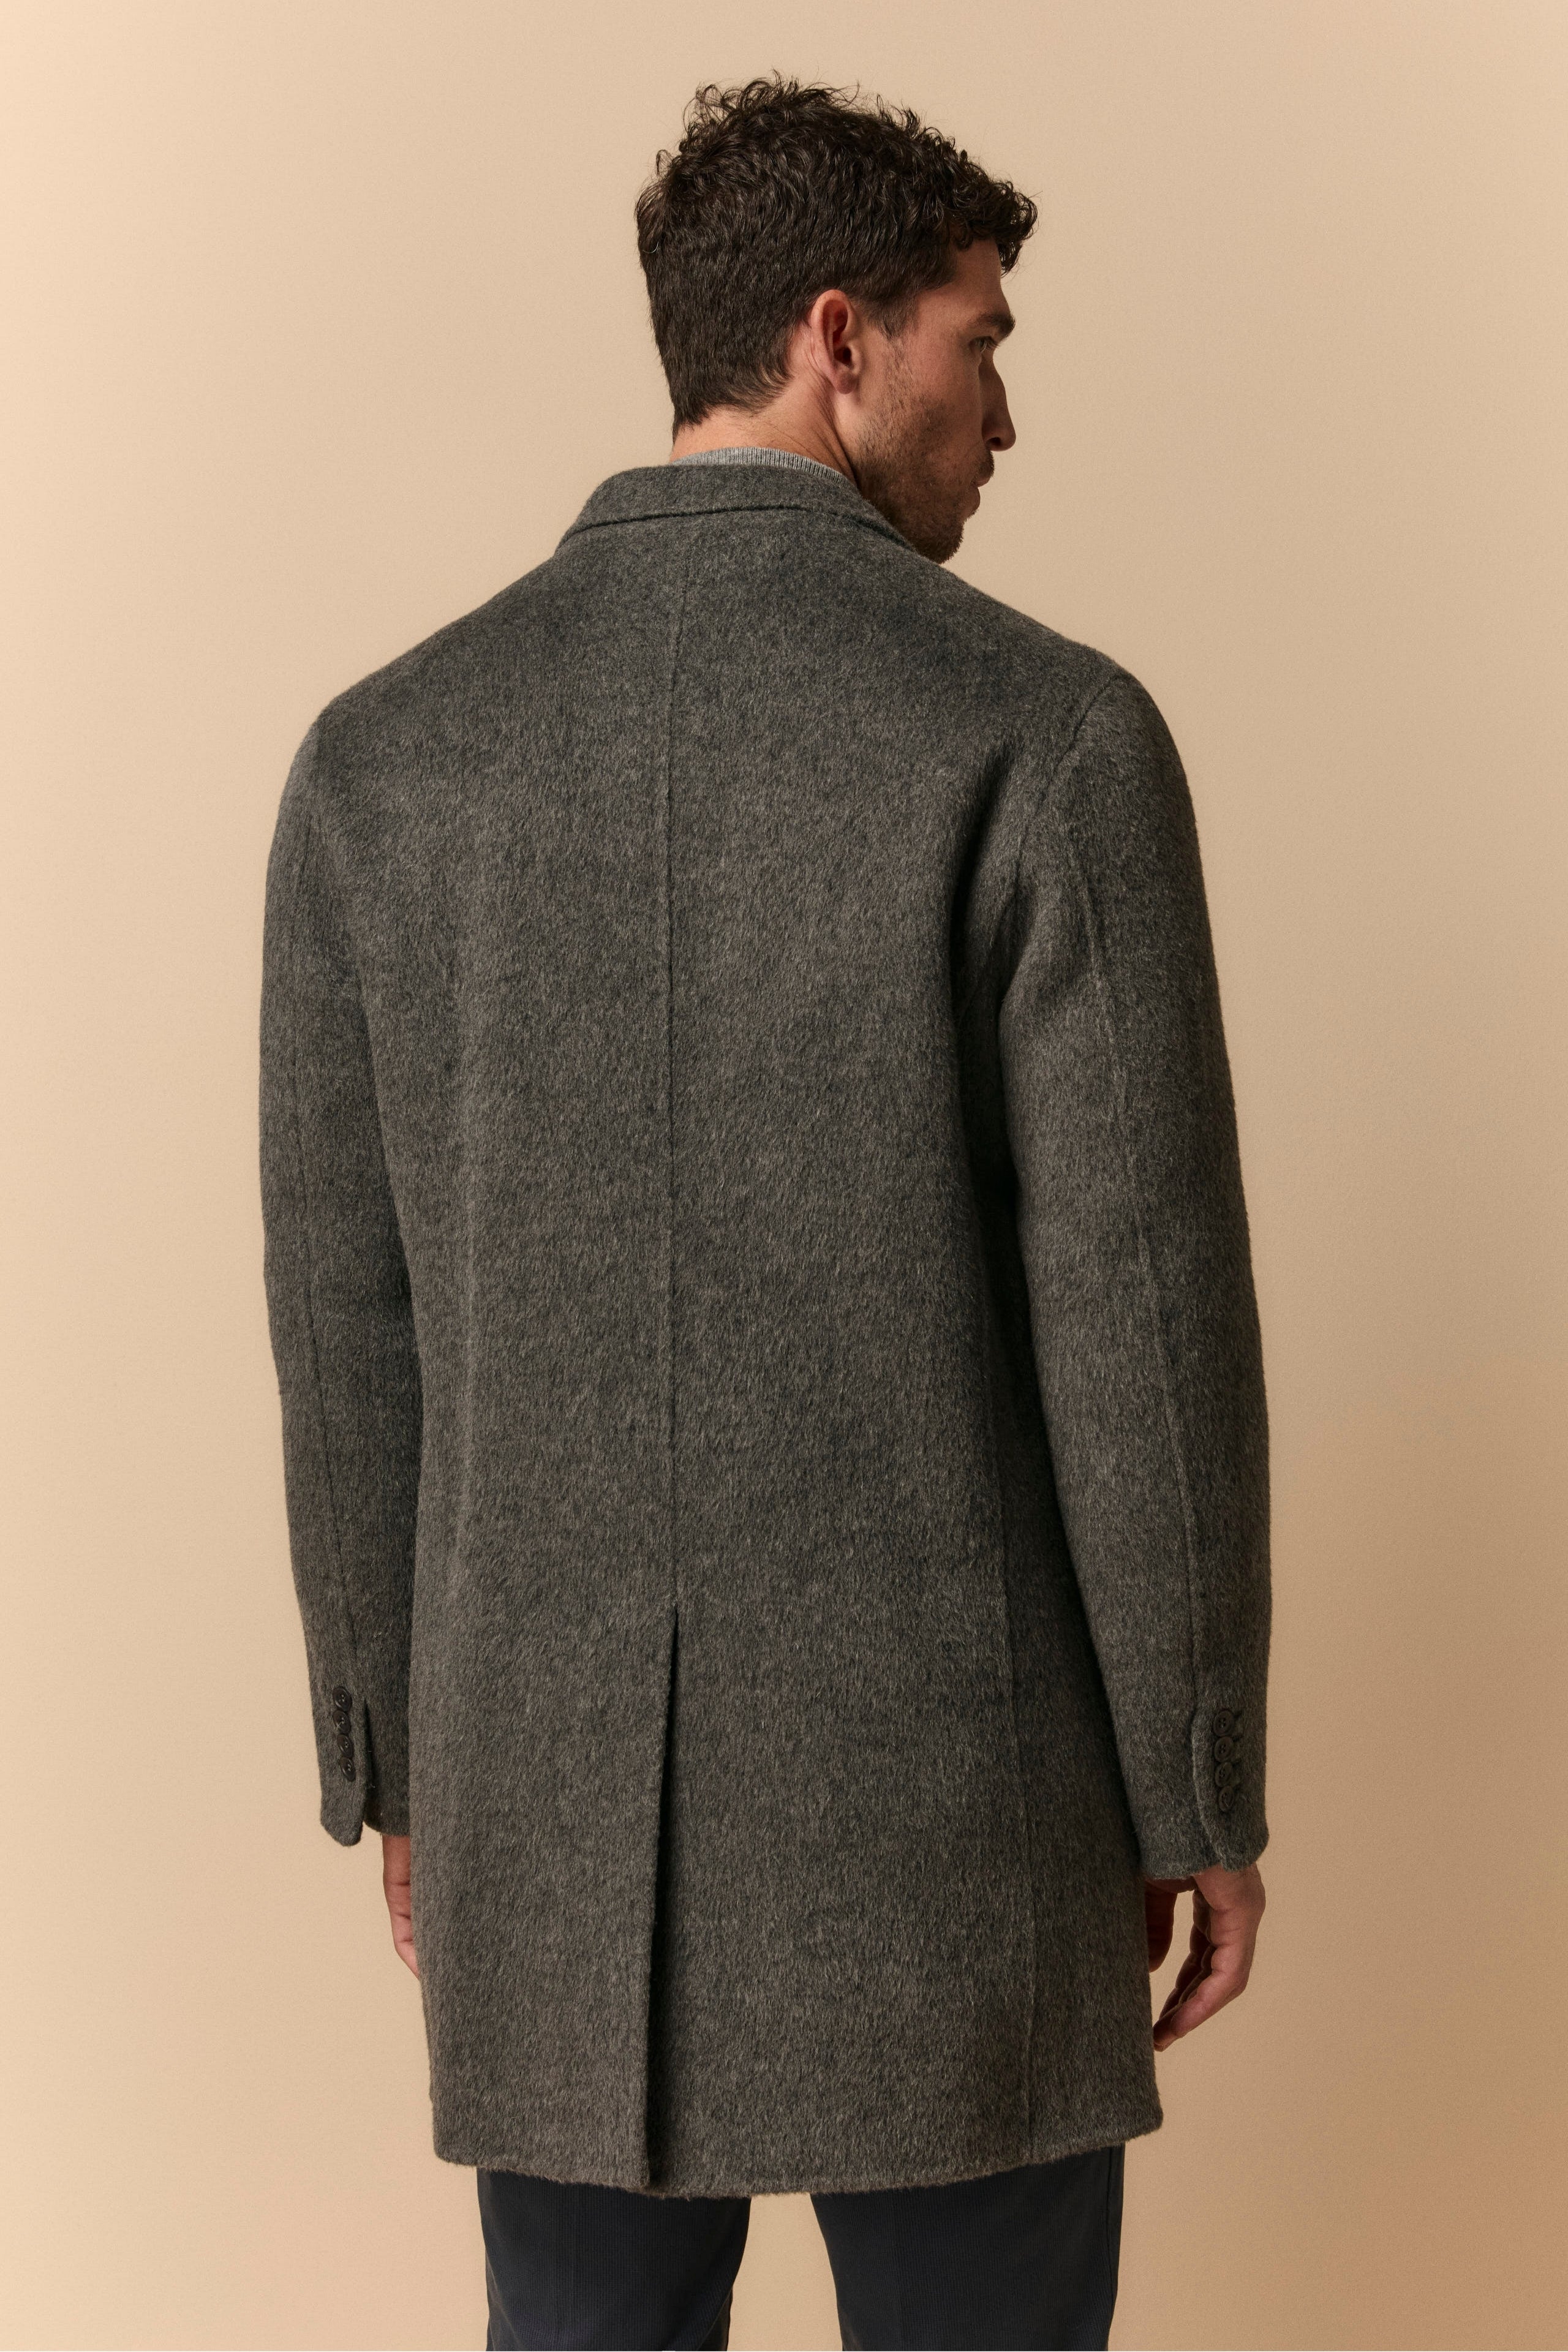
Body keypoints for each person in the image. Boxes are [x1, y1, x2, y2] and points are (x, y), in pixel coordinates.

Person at [258, 73, 1271, 2352]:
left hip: (543, 1826)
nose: (1004, 415)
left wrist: (396, 1760)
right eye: (977, 344)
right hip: (967, 1824)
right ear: (839, 338)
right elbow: (1141, 1320)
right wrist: (1196, 1777)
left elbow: (347, 1319)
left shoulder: (380, 762)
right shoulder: (1047, 736)